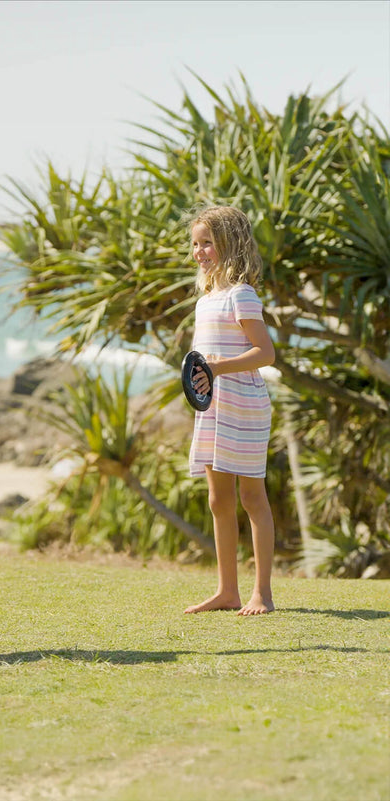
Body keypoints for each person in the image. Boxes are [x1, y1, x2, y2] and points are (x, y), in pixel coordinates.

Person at [182, 205, 276, 616]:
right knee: (218, 500)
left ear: (230, 244)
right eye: (196, 244)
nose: (200, 251)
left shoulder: (242, 294)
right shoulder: (206, 298)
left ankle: (263, 594)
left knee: (252, 497)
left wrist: (216, 368)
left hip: (245, 404)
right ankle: (227, 592)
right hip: (213, 405)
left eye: (208, 243)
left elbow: (266, 352)